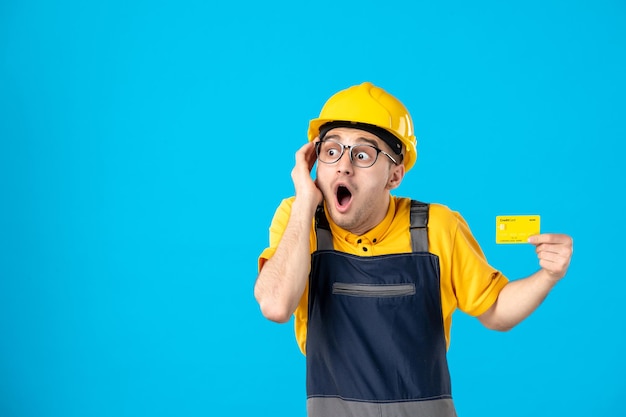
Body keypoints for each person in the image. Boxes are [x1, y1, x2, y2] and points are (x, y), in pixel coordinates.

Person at [254, 82, 573, 417]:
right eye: (331, 151)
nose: (343, 166)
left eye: (362, 154)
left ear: (395, 175)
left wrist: (548, 276)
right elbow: (275, 306)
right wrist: (305, 200)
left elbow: (496, 311)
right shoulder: (298, 220)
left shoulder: (437, 226)